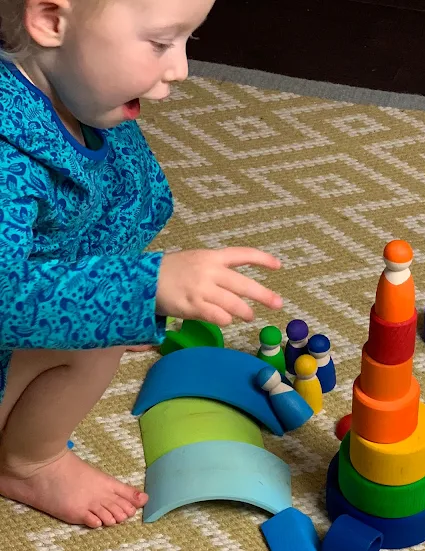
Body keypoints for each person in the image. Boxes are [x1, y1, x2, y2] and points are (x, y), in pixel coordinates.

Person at [0, 0, 284, 529]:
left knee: (106, 313)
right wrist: (138, 290)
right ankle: (27, 462)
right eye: (159, 43)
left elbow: (107, 210)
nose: (180, 69)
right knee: (97, 343)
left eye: (187, 42)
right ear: (51, 21)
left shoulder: (77, 102)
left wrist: (111, 297)